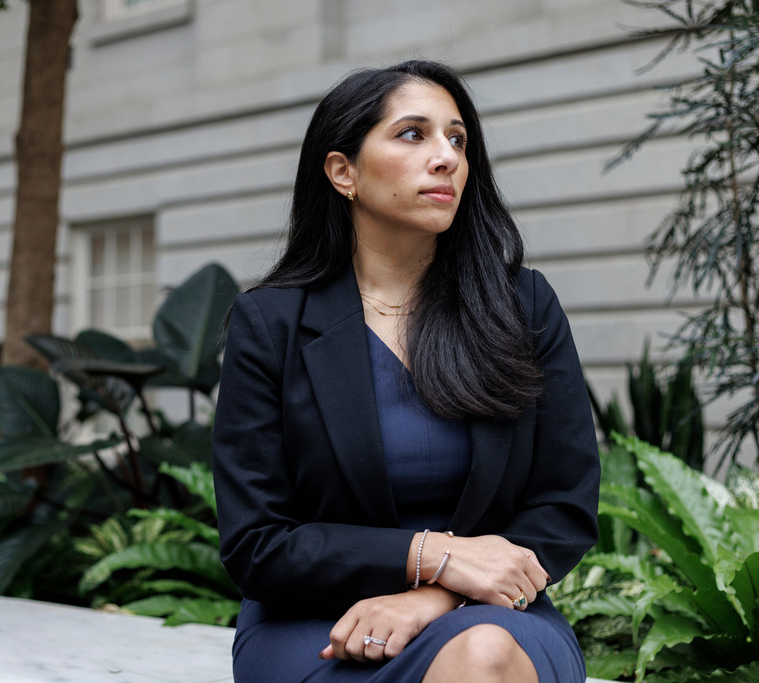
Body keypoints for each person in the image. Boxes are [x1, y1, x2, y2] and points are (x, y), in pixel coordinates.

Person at [212, 60, 600, 683]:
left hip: (495, 612)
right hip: (315, 622)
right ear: (343, 172)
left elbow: (564, 506)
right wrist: (431, 555)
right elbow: (257, 543)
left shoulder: (522, 306)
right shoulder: (271, 325)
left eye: (458, 139)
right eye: (413, 134)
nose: (445, 156)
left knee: (482, 654)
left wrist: (434, 597)